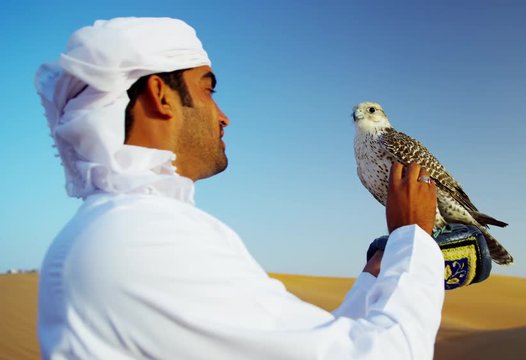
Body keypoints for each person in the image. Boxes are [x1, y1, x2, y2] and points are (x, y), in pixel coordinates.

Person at [36, 17, 444, 359]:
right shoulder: (140, 240)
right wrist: (413, 239)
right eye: (208, 89)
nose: (223, 116)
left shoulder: (136, 227)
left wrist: (374, 279)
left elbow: (307, 343)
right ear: (160, 95)